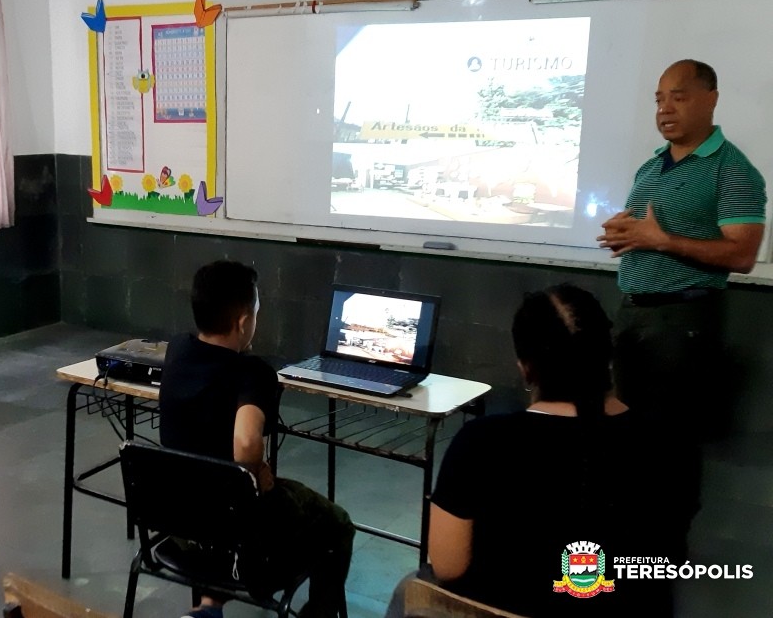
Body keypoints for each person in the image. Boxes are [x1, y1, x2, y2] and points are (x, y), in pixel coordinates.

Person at [386, 285, 700, 618]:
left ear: (525, 368)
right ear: (608, 359)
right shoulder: (673, 443)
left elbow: (448, 567)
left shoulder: (482, 442)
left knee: (412, 586)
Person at [160, 260, 354, 618]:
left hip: (181, 526)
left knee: (215, 500)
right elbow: (247, 443)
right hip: (241, 542)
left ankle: (208, 608)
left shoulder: (177, 350)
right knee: (337, 523)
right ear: (244, 321)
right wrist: (252, 476)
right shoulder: (252, 373)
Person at [597, 59, 767, 434]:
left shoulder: (733, 170)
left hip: (682, 321)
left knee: (669, 441)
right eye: (659, 100)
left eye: (678, 98)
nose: (665, 109)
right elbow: (648, 231)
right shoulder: (650, 167)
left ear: (711, 99)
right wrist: (626, 233)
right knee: (625, 434)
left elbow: (743, 255)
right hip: (632, 313)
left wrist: (662, 241)